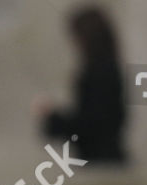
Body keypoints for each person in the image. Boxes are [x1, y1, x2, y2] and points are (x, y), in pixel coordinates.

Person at [36, 5, 126, 164]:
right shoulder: (107, 70)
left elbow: (92, 124)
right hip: (104, 159)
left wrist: (53, 118)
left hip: (100, 161)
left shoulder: (99, 73)